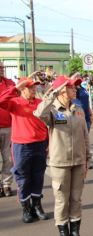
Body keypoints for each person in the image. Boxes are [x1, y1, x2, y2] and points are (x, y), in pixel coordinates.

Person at [34, 75, 90, 236]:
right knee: (61, 200)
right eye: (71, 87)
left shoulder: (78, 109)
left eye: (75, 87)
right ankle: (63, 230)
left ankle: (75, 230)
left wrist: (86, 159)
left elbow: (85, 135)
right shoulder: (52, 110)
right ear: (62, 91)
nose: (75, 89)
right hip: (60, 163)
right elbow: (38, 113)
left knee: (76, 199)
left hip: (78, 162)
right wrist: (53, 93)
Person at [0, 77, 49, 223]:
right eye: (30, 88)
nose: (34, 90)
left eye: (35, 87)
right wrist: (16, 88)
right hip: (21, 146)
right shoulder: (15, 102)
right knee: (23, 177)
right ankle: (26, 209)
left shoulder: (39, 103)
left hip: (40, 144)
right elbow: (1, 101)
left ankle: (37, 206)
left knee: (38, 176)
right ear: (22, 89)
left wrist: (48, 143)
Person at [0, 70, 15, 197]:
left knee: (8, 158)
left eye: (1, 67)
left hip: (8, 126)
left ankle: (6, 184)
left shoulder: (9, 83)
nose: (1, 69)